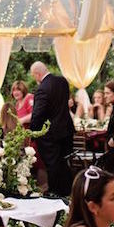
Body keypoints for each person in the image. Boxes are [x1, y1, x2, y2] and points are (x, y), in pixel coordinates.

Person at [29, 61, 74, 196]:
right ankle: (68, 192)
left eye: (34, 76)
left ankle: (55, 193)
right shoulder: (62, 82)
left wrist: (33, 133)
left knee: (52, 164)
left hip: (50, 134)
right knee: (64, 163)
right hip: (66, 130)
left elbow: (38, 114)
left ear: (37, 74)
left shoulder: (42, 88)